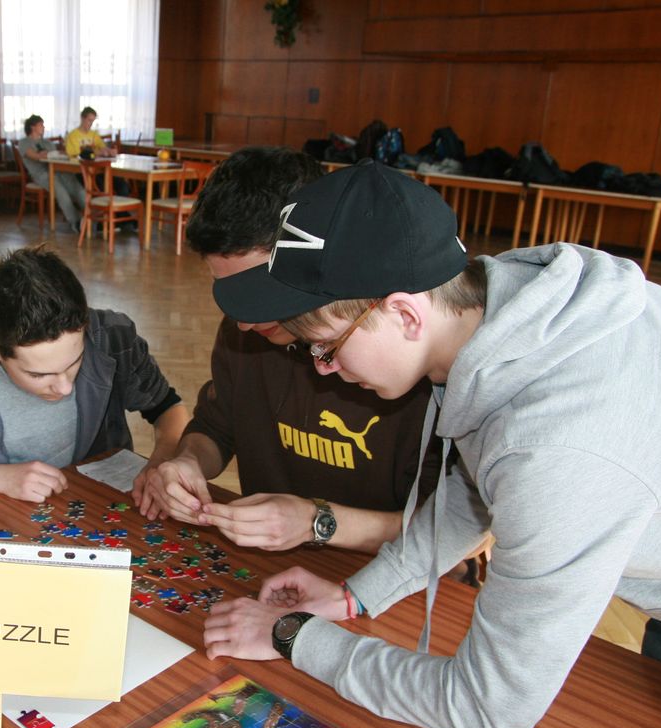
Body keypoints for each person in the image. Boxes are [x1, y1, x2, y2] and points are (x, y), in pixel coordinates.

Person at [202, 159, 661, 728]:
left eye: (328, 347)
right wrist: (355, 594)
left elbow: (486, 709)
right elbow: (477, 490)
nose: (324, 369)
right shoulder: (500, 312)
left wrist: (292, 635)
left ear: (405, 314)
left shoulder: (558, 449)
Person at [140, 147, 440, 558]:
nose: (244, 321)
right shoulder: (245, 331)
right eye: (229, 295)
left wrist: (317, 523)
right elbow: (217, 426)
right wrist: (188, 461)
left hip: (387, 572)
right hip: (272, 565)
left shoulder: (404, 356)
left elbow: (451, 531)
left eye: (258, 294)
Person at [0, 246, 189, 502]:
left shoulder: (112, 337)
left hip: (98, 502)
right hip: (5, 517)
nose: (64, 387)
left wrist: (159, 464)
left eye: (75, 363)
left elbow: (168, 408)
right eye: (40, 375)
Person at [16, 114, 87, 232]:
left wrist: (60, 153)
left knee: (75, 185)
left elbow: (58, 155)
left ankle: (93, 215)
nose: (43, 127)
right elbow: (35, 156)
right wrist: (44, 154)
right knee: (60, 190)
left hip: (58, 170)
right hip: (41, 174)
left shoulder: (48, 143)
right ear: (32, 127)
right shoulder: (24, 143)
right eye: (41, 125)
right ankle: (76, 221)